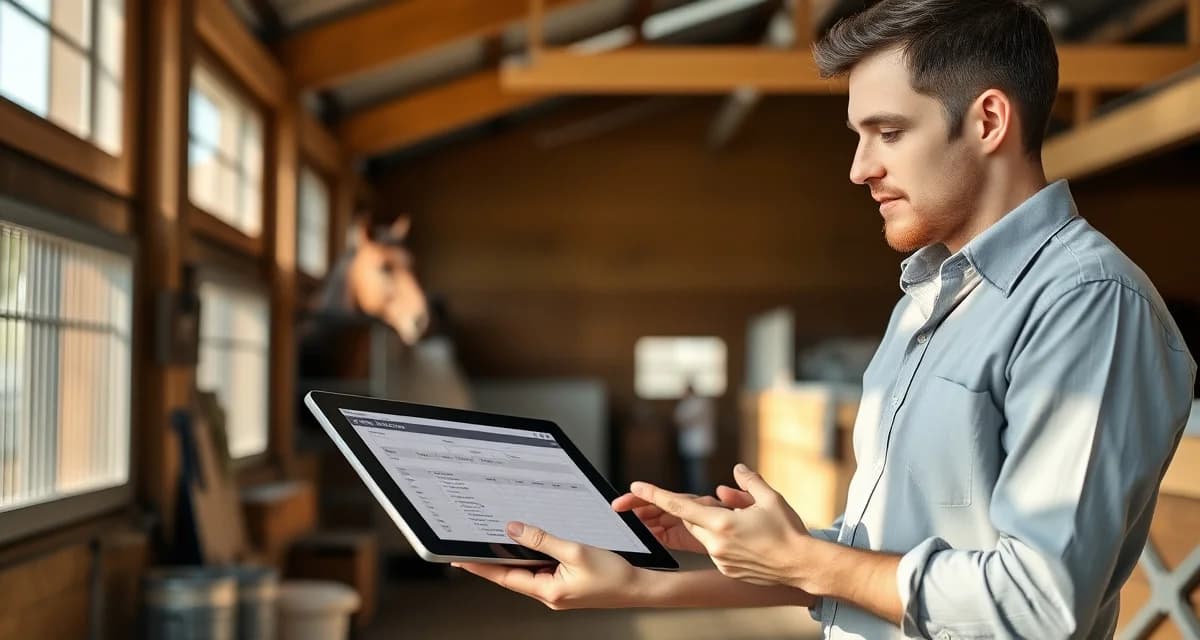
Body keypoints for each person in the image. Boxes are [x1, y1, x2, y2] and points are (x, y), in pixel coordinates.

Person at [453, 1, 1197, 637]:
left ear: (989, 120)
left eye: (889, 132)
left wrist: (802, 556)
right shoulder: (927, 302)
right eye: (857, 135)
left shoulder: (1088, 303)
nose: (858, 167)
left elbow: (1035, 605)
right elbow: (872, 559)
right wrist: (642, 584)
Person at [674, 382, 716, 495]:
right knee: (692, 474)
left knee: (698, 476)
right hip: (691, 445)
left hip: (698, 445)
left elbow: (682, 420)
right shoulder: (688, 403)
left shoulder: (700, 403)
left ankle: (701, 498)